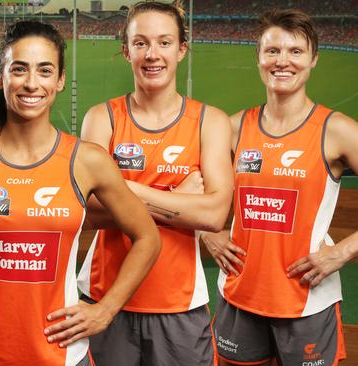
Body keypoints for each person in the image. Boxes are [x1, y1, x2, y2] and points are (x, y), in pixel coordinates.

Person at [0, 20, 161, 366]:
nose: (32, 83)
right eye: (19, 69)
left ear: (60, 80)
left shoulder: (87, 160)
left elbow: (147, 237)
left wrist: (104, 311)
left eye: (45, 70)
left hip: (62, 356)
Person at [76, 2, 233, 365]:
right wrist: (179, 200)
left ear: (181, 49)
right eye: (141, 43)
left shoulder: (210, 121)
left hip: (178, 304)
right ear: (126, 50)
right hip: (104, 300)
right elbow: (94, 212)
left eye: (164, 42)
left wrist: (119, 188)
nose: (152, 54)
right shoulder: (102, 118)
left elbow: (212, 215)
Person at [201, 9, 358, 366]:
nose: (282, 61)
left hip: (307, 300)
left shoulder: (337, 130)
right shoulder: (234, 127)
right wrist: (206, 233)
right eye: (272, 51)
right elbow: (186, 186)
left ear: (313, 59)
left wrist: (343, 252)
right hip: (240, 294)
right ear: (258, 57)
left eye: (295, 52)